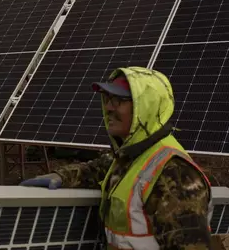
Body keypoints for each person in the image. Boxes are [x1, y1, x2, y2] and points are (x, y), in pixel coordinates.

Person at [20, 66, 213, 249]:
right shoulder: (133, 156)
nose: (109, 108)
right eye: (107, 99)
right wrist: (62, 176)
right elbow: (101, 168)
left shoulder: (175, 174)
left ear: (145, 107)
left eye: (119, 100)